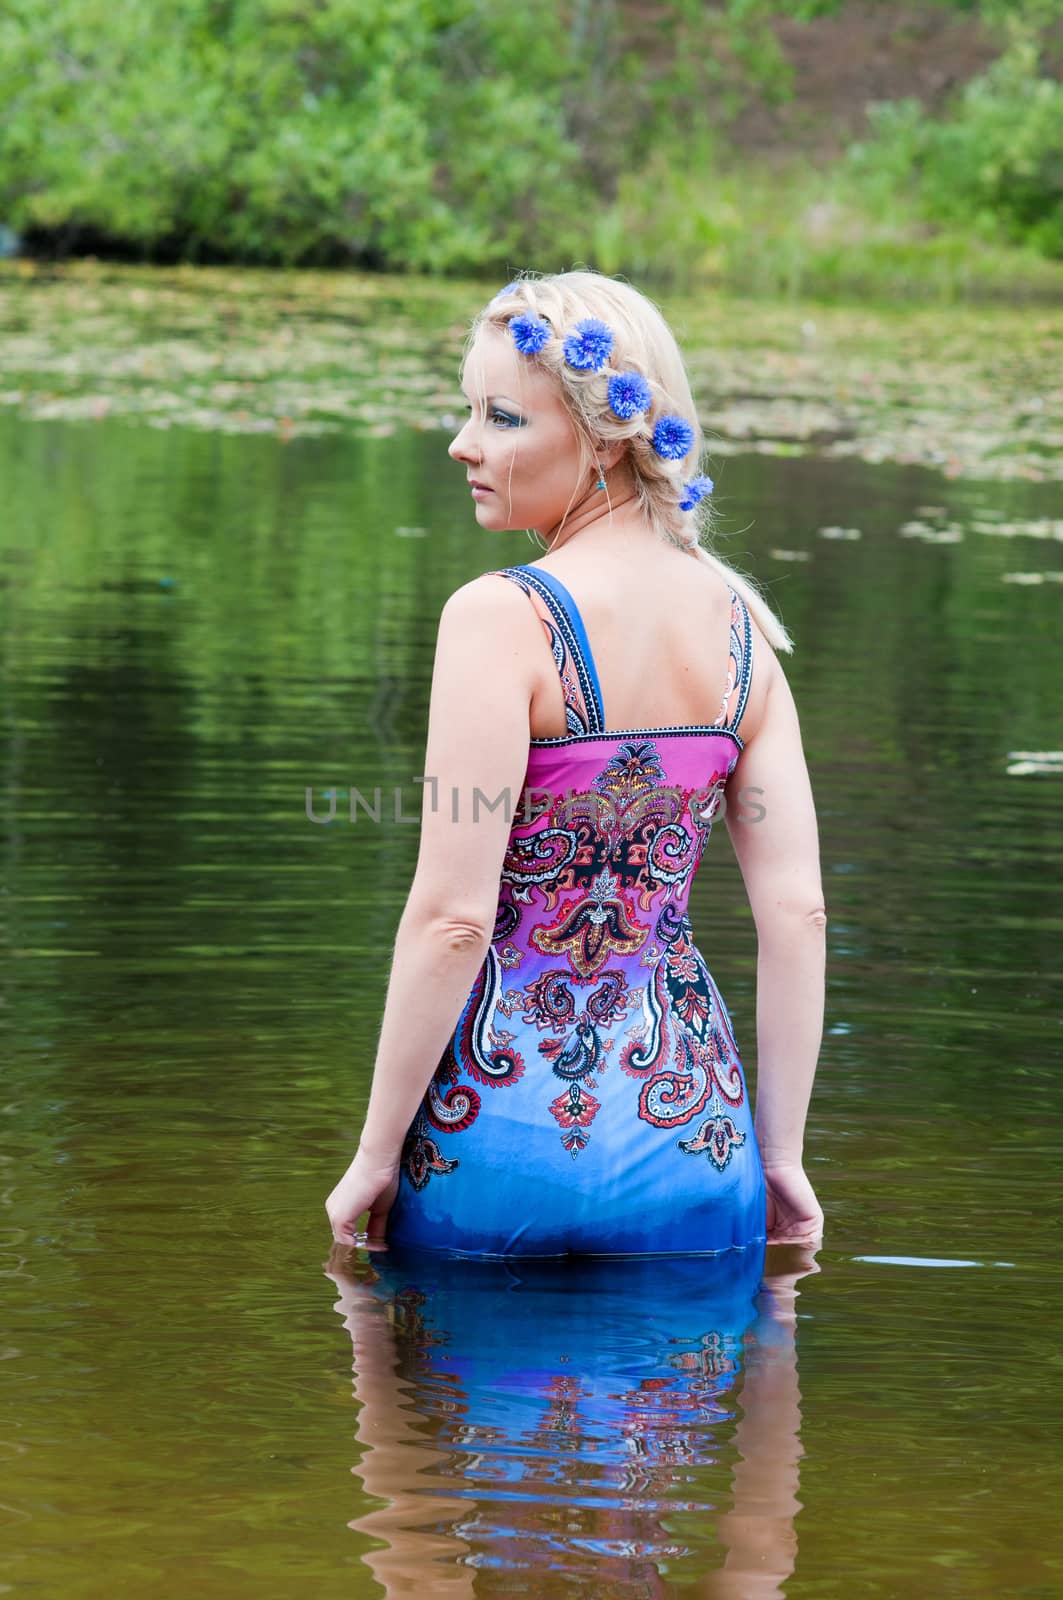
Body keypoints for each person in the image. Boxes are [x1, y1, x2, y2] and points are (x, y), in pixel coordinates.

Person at [326, 269, 825, 1257]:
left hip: (495, 1144)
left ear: (600, 439)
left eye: (501, 417)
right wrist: (781, 1155)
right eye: (467, 411)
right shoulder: (743, 637)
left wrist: (376, 1155)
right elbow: (798, 913)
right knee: (674, 1411)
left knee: (430, 1406)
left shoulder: (499, 618)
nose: (463, 443)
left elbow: (453, 919)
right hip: (695, 1139)